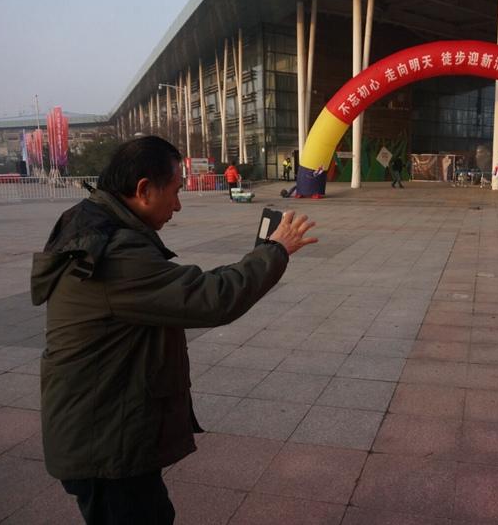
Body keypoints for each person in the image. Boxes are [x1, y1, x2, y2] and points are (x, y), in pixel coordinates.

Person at [29, 136, 317, 524]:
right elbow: (211, 298)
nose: (178, 205)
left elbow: (185, 286)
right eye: (176, 191)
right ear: (145, 189)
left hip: (102, 430)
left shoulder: (97, 226)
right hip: (105, 446)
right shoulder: (115, 253)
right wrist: (275, 250)